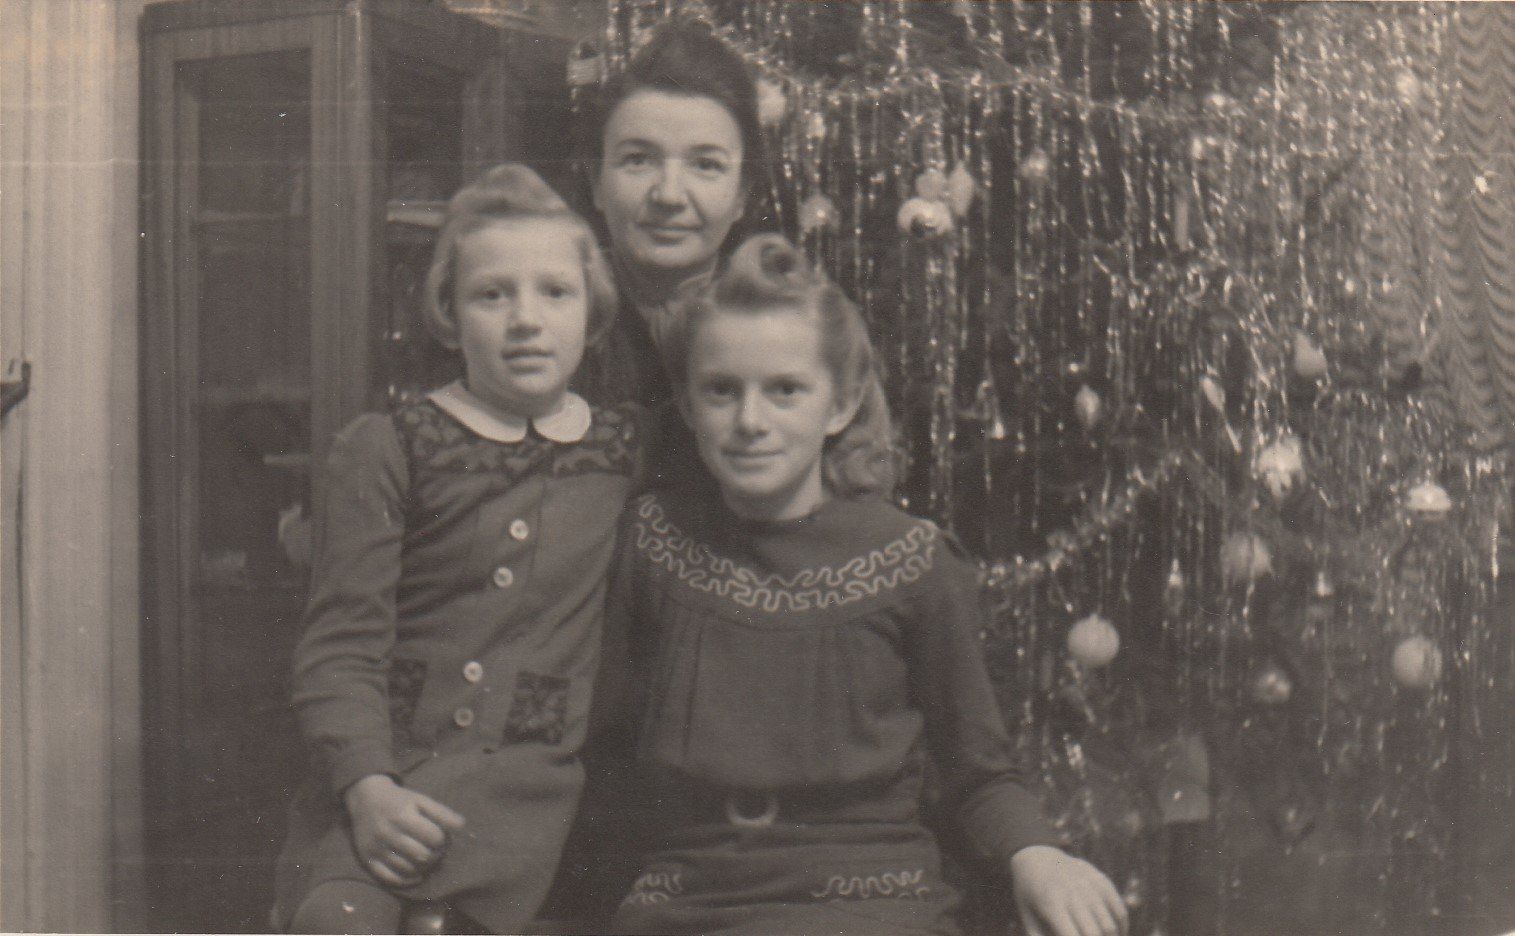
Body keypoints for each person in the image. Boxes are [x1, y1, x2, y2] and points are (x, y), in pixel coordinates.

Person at [601, 234, 1130, 936]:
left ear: (841, 404)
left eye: (785, 390)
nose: (750, 422)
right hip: (688, 900)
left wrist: (1038, 855)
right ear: (687, 404)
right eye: (722, 391)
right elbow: (602, 759)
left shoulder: (912, 561)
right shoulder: (652, 540)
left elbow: (977, 772)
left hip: (870, 901)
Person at [271, 164, 639, 934]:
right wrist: (367, 785)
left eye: (555, 292)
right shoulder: (387, 448)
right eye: (491, 295)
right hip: (387, 790)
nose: (526, 319)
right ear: (448, 312)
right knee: (335, 920)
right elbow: (339, 647)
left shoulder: (620, 452)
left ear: (593, 312)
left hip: (525, 811)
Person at [575, 17, 766, 411]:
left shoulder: (784, 322)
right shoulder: (549, 315)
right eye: (638, 160)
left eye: (706, 165)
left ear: (742, 195)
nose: (669, 195)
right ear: (596, 183)